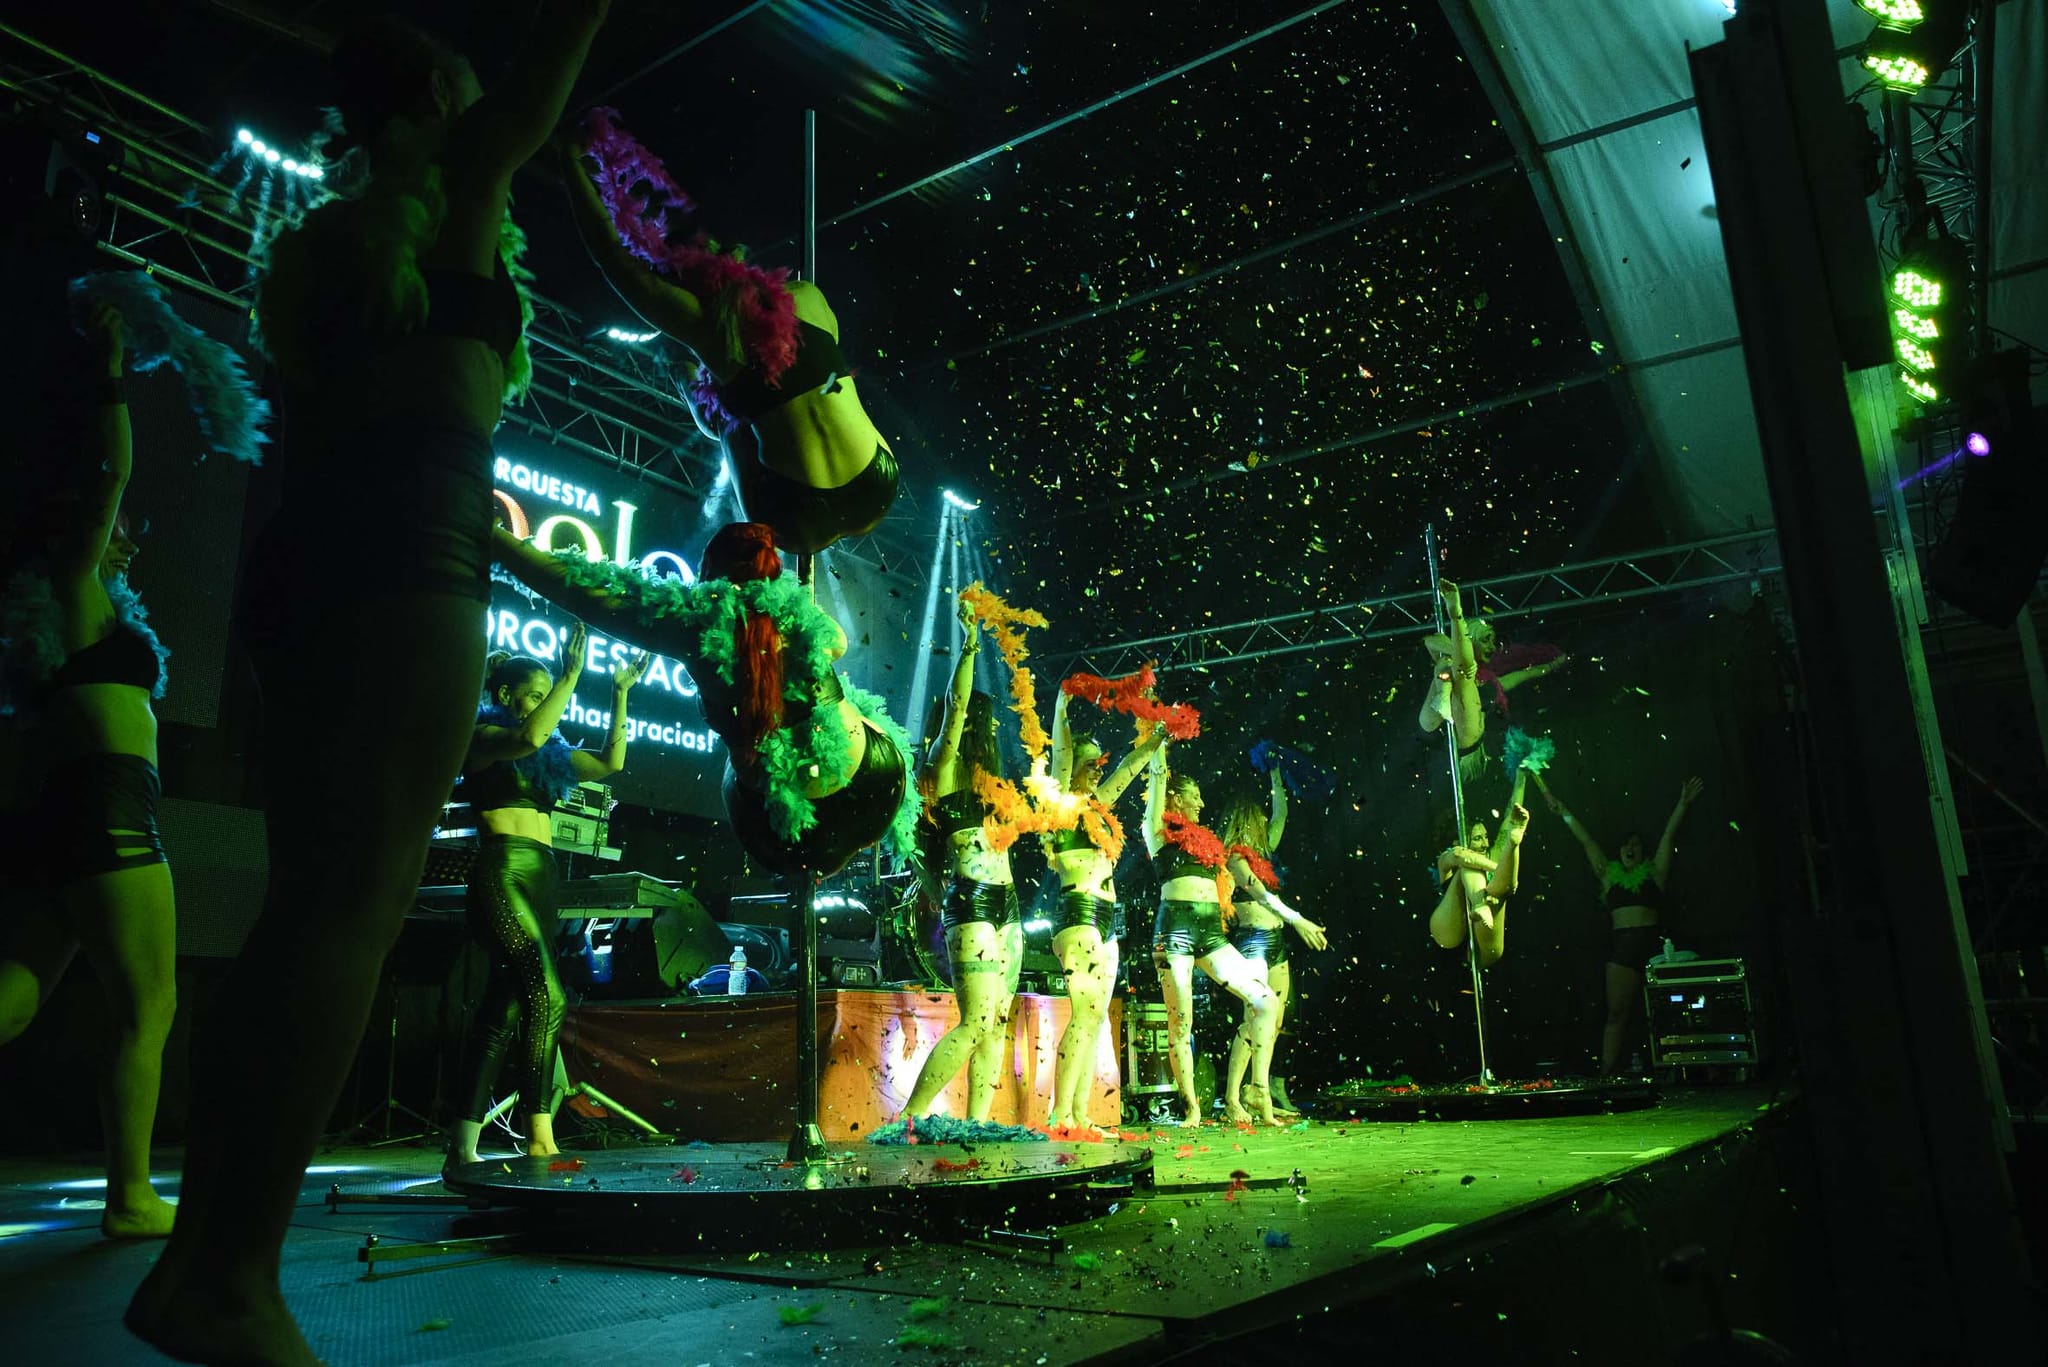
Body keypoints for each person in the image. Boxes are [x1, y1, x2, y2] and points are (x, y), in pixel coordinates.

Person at [129, 9, 610, 1363]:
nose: (480, 107)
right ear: (431, 105)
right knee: (353, 908)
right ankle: (227, 1280)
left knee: (304, 911)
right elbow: (527, 109)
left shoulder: (340, 247)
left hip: (313, 558)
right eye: (462, 88)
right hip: (409, 551)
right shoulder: (453, 191)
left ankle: (206, 1260)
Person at [0, 305, 179, 1239]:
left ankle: (131, 1194)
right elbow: (114, 472)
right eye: (117, 532)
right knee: (149, 1005)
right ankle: (131, 1198)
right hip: (108, 809)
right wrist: (111, 365)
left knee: (14, 999)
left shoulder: (80, 605)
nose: (128, 539)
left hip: (66, 816)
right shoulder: (73, 587)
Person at [490, 520, 912, 879]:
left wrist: (493, 538)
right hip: (874, 778)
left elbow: (579, 591)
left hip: (776, 824)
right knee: (838, 711)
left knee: (740, 766)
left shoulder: (691, 625)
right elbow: (837, 643)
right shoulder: (792, 613)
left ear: (709, 572)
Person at [563, 114, 897, 555]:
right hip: (878, 479)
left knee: (726, 419)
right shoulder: (807, 297)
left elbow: (612, 258)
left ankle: (711, 395)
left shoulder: (705, 328)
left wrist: (570, 163)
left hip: (798, 519)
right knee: (751, 403)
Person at [446, 630, 646, 1169]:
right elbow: (530, 735)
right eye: (534, 694)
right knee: (549, 997)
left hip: (544, 878)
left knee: (503, 1009)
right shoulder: (484, 736)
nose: (543, 703)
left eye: (546, 694)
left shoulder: (549, 755)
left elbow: (610, 763)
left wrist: (620, 693)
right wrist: (569, 676)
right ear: (505, 695)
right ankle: (539, 1136)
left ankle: (460, 1147)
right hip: (503, 872)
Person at [898, 598, 1021, 1121]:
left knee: (997, 1023)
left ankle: (979, 1123)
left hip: (1008, 903)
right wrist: (971, 645)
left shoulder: (992, 789)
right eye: (984, 724)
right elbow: (955, 707)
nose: (991, 732)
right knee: (975, 1022)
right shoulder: (943, 768)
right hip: (970, 902)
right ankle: (911, 1115)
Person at [1040, 690, 1164, 1136]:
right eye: (1089, 763)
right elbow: (1060, 753)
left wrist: (1156, 739)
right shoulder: (1059, 802)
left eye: (1099, 763)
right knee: (1083, 1013)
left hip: (1107, 919)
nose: (1097, 769)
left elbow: (1128, 770)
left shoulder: (1098, 807)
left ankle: (1078, 1113)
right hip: (1079, 913)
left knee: (1095, 1017)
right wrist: (1061, 709)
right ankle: (1059, 1114)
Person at [1142, 744, 1279, 1126]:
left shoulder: (1207, 844)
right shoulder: (1157, 833)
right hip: (1175, 932)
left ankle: (1258, 1088)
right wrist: (1158, 748)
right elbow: (1157, 782)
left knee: (1266, 1001)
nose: (1202, 803)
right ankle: (1192, 1108)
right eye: (1195, 795)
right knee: (1180, 1023)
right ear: (1175, 798)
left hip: (1211, 933)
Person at [1544, 776, 1705, 1075]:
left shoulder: (1655, 874)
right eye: (1626, 844)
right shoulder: (1608, 875)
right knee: (1617, 1014)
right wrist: (1563, 811)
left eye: (1636, 844)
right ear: (1619, 851)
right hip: (1624, 950)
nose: (1631, 848)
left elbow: (1668, 836)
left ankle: (1677, 1068)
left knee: (1665, 1011)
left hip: (1656, 950)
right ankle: (1607, 1073)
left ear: (1643, 852)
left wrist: (1683, 804)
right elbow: (1586, 841)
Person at [1218, 772, 1327, 1126]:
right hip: (1254, 940)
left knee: (1275, 1020)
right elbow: (1262, 896)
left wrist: (1277, 777)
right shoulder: (1235, 858)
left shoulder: (1262, 854)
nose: (1265, 820)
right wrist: (1298, 920)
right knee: (1254, 1018)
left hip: (1276, 942)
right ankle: (1233, 1097)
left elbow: (1281, 814)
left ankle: (1258, 1091)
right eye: (1259, 816)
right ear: (1246, 820)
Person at [1418, 581, 1566, 784]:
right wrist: (1457, 650)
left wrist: (1552, 665)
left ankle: (1456, 617)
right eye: (1486, 640)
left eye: (1492, 641)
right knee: (1446, 663)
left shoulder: (1492, 680)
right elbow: (1429, 641)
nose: (1492, 647)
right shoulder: (1454, 656)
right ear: (1472, 641)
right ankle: (1456, 620)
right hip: (1435, 724)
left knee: (1460, 670)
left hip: (1465, 730)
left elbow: (1526, 674)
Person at [1429, 764, 1533, 970]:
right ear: (1457, 840)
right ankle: (1479, 904)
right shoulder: (1445, 860)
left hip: (1482, 948)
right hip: (1449, 931)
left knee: (1498, 891)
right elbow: (1460, 855)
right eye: (1478, 838)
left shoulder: (1489, 852)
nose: (1485, 843)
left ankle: (1514, 846)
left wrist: (1521, 777)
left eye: (1485, 837)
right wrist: (1497, 868)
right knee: (1468, 864)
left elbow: (1509, 819)